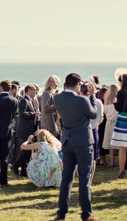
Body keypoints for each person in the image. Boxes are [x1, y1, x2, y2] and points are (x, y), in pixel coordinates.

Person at [53, 73, 99, 221]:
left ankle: (62, 213)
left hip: (67, 141)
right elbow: (93, 114)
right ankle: (86, 214)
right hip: (83, 142)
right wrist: (92, 96)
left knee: (66, 178)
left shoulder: (57, 98)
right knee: (84, 178)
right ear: (78, 84)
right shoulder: (82, 100)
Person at [11, 84, 40, 176]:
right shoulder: (24, 101)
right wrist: (34, 114)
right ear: (28, 90)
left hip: (31, 128)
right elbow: (22, 114)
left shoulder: (31, 101)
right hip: (25, 130)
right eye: (34, 90)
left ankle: (24, 169)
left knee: (28, 152)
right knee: (24, 150)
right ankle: (15, 165)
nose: (36, 92)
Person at [110, 73, 127, 179]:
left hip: (122, 118)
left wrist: (115, 104)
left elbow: (119, 107)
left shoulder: (120, 93)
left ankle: (121, 170)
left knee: (122, 147)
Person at [102, 84, 120, 167]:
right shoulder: (117, 100)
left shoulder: (106, 101)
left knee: (110, 145)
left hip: (108, 122)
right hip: (117, 122)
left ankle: (112, 162)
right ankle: (121, 161)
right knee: (120, 144)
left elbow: (104, 112)